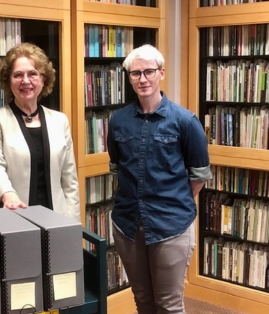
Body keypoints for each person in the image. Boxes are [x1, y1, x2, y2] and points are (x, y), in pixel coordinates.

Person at [107, 44, 211, 314]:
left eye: (149, 72)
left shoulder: (185, 121)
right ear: (129, 78)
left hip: (171, 225)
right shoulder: (118, 121)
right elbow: (117, 168)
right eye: (135, 73)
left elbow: (198, 175)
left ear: (161, 73)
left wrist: (174, 202)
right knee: (142, 299)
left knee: (169, 305)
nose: (142, 79)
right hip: (128, 224)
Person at [0, 42, 80, 221]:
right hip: (11, 217)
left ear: (43, 79)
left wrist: (72, 225)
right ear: (8, 80)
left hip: (56, 219)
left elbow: (69, 181)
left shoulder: (60, 120)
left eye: (32, 74)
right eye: (18, 75)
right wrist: (7, 194)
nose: (26, 81)